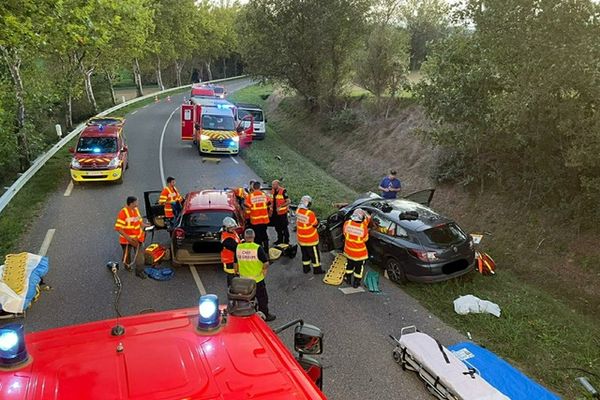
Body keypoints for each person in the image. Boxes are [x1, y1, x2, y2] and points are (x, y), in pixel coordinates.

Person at [234, 229, 276, 321]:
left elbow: (235, 264)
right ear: (253, 237)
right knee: (262, 298)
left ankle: (248, 314)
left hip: (244, 280)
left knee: (247, 298)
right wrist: (264, 270)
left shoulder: (239, 248)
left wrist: (237, 272)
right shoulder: (257, 248)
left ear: (244, 237)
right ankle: (264, 314)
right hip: (257, 280)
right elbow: (265, 262)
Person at [114, 196, 151, 279]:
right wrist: (129, 239)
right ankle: (127, 266)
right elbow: (118, 228)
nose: (138, 204)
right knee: (127, 255)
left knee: (140, 256)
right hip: (127, 241)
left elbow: (140, 223)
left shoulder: (136, 210)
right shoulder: (123, 213)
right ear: (131, 203)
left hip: (138, 238)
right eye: (136, 202)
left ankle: (139, 271)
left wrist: (147, 226)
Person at [296, 195, 324, 274]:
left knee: (305, 254)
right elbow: (315, 224)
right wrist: (318, 220)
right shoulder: (310, 213)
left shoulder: (298, 211)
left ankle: (306, 268)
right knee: (314, 256)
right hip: (311, 239)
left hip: (301, 239)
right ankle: (317, 269)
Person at [343, 208, 371, 288]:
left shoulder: (347, 223)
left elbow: (345, 233)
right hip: (359, 254)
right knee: (358, 268)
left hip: (349, 251)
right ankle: (356, 282)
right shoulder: (363, 227)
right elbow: (365, 239)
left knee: (349, 266)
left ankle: (348, 279)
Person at [244, 181, 271, 253]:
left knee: (257, 236)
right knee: (264, 234)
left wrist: (251, 207)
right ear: (259, 187)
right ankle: (266, 250)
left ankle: (259, 251)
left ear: (253, 187)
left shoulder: (251, 196)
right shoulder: (264, 195)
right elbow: (269, 202)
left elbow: (245, 204)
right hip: (264, 219)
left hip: (255, 220)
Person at [221, 217, 241, 288]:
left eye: (233, 227)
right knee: (231, 276)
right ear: (226, 228)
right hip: (229, 260)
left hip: (234, 259)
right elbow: (236, 247)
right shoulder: (226, 238)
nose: (233, 229)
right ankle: (231, 291)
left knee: (236, 276)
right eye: (231, 228)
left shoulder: (232, 233)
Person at [270, 180, 290, 245]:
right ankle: (279, 240)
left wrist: (281, 206)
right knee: (277, 227)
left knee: (284, 227)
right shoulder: (272, 191)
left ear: (277, 184)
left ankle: (286, 241)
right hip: (275, 213)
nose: (272, 186)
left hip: (282, 214)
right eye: (272, 185)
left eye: (273, 185)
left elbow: (288, 201)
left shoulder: (283, 191)